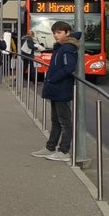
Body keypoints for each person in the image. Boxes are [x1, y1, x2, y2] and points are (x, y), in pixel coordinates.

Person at [31, 21, 84, 163]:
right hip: (56, 88)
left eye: (59, 32)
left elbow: (68, 68)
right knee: (56, 120)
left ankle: (64, 150)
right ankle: (50, 147)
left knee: (64, 121)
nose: (56, 35)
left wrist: (52, 78)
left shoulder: (68, 48)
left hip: (61, 89)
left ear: (67, 33)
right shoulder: (61, 47)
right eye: (54, 32)